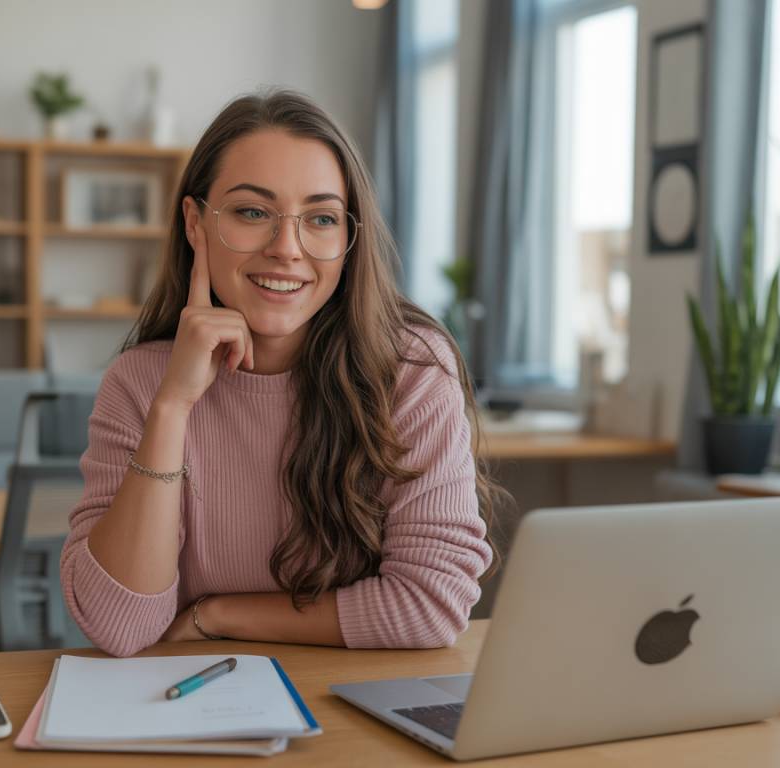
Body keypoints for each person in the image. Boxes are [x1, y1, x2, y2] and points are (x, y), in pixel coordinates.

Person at [60, 88, 499, 658]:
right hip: (190, 717)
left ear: (347, 238)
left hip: (354, 714)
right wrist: (172, 407)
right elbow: (119, 626)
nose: (287, 249)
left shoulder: (411, 371)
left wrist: (218, 616)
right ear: (195, 224)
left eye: (320, 218)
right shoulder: (140, 383)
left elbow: (430, 605)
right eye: (252, 212)